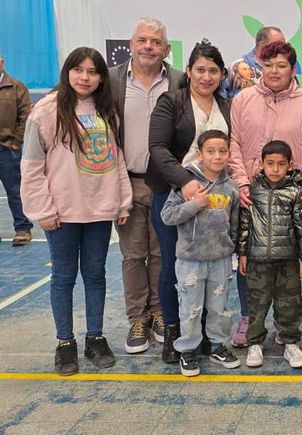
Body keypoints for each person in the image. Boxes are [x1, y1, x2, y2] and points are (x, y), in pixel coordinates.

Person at [21, 47, 132, 376]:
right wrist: (42, 208)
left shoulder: (106, 112)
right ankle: (65, 343)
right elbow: (31, 166)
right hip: (62, 213)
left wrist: (121, 200)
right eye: (79, 70)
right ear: (67, 72)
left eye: (93, 72)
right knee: (64, 277)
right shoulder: (46, 111)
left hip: (98, 211)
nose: (85, 77)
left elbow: (117, 161)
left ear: (101, 77)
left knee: (96, 276)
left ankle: (95, 338)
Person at [228, 40, 302, 347]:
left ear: (292, 69)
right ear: (260, 65)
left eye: (281, 65)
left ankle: (285, 326)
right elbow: (234, 145)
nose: (274, 71)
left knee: (287, 266)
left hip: (292, 202)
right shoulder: (243, 100)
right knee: (250, 260)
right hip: (253, 200)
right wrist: (241, 183)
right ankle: (250, 318)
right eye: (268, 64)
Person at [148, 41, 231, 363]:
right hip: (175, 194)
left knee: (212, 273)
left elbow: (229, 151)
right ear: (190, 72)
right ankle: (174, 333)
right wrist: (184, 182)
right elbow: (157, 147)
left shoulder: (226, 106)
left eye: (213, 70)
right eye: (200, 69)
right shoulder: (171, 101)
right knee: (175, 267)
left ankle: (209, 336)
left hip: (215, 204)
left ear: (222, 74)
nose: (207, 76)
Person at [108, 17, 185, 354]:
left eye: (156, 42)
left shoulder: (180, 81)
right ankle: (137, 317)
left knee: (161, 253)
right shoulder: (110, 81)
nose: (149, 47)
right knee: (132, 254)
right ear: (131, 43)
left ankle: (158, 313)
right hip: (126, 180)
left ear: (166, 48)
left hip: (167, 184)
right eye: (143, 40)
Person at [160, 129, 241, 377]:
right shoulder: (187, 185)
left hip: (221, 260)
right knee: (190, 309)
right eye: (211, 151)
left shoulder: (231, 188)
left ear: (228, 154)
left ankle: (217, 346)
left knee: (218, 308)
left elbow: (235, 223)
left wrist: (233, 248)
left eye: (222, 151)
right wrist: (195, 204)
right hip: (190, 261)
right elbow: (167, 216)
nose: (217, 156)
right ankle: (188, 350)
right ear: (199, 154)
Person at [238, 140, 302, 370]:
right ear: (261, 164)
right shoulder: (252, 191)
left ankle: (290, 341)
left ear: (290, 165)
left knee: (290, 303)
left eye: (281, 164)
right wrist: (242, 252)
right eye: (270, 163)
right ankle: (255, 343)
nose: (275, 169)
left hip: (288, 261)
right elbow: (245, 224)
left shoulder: (296, 192)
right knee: (257, 304)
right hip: (257, 260)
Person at [0, 49, 33, 246]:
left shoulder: (17, 87)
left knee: (15, 192)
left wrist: (15, 142)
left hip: (7, 149)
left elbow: (25, 116)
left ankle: (22, 229)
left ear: (2, 63)